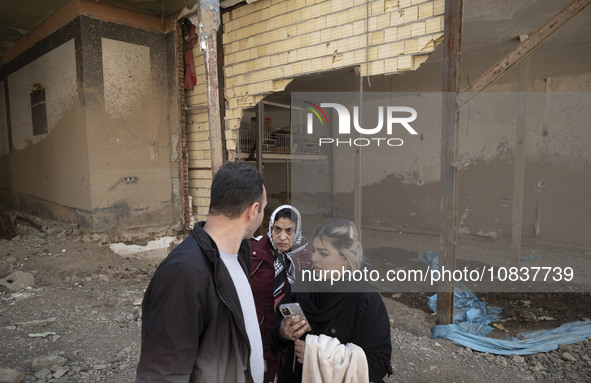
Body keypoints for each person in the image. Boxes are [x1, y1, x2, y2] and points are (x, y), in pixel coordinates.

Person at [136, 161, 267, 383]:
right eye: (264, 208)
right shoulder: (184, 272)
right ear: (253, 211)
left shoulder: (240, 254)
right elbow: (163, 374)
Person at [270, 219, 393, 383]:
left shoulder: (366, 300)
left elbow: (377, 365)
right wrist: (282, 332)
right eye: (313, 251)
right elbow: (274, 339)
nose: (313, 258)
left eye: (324, 253)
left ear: (346, 259)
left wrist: (318, 356)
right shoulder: (300, 286)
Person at [249, 205, 312, 383]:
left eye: (289, 230)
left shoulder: (307, 260)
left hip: (287, 335)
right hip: (257, 332)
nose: (282, 237)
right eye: (277, 229)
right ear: (271, 228)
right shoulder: (253, 251)